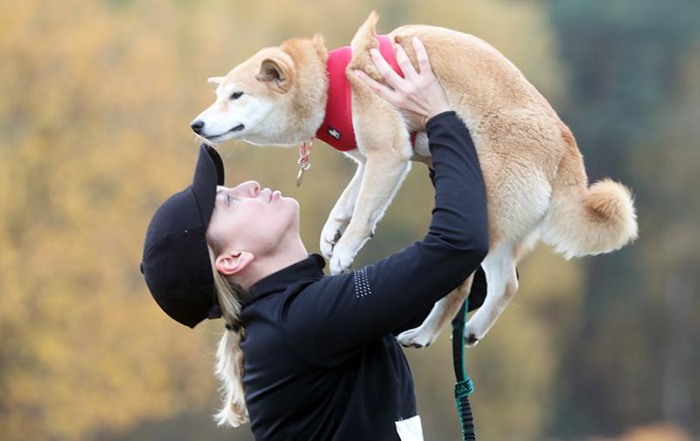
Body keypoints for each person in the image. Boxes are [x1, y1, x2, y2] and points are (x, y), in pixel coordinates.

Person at [141, 37, 489, 441]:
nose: (250, 185)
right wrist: (440, 118)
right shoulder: (302, 321)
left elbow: (467, 280)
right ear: (232, 259)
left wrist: (423, 138)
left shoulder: (299, 317)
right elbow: (458, 246)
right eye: (231, 203)